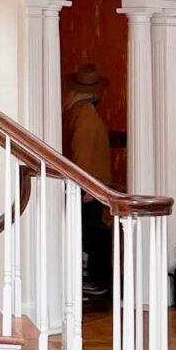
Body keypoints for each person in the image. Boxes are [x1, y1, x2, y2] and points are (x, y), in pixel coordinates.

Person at [63, 62, 113, 296]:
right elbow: (82, 152)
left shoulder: (77, 112)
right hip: (89, 187)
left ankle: (83, 279)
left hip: (89, 185)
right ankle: (82, 281)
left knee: (87, 231)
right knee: (87, 233)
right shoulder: (85, 116)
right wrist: (85, 185)